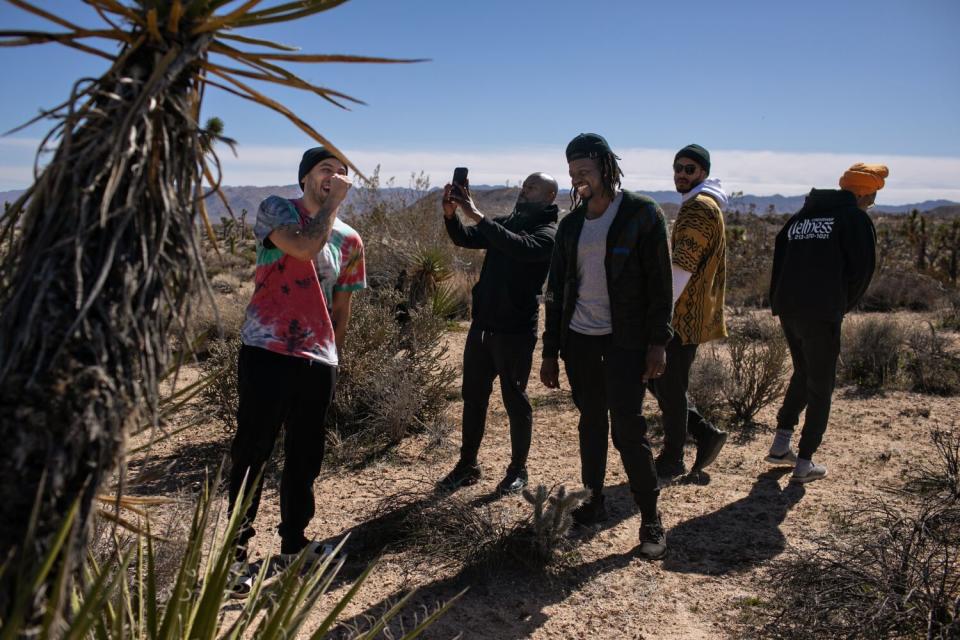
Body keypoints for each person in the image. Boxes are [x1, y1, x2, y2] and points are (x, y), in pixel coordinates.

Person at [228, 146, 363, 573]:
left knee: (305, 457)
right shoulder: (276, 210)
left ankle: (293, 546)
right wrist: (333, 204)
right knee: (253, 453)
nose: (335, 178)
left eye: (341, 173)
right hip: (267, 350)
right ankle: (234, 559)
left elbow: (340, 308)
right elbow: (303, 249)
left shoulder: (350, 240)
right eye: (326, 170)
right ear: (305, 176)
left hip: (318, 360)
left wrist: (334, 359)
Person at [540, 133, 673, 560]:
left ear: (605, 168)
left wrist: (658, 342)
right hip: (580, 339)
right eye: (573, 172)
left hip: (627, 341)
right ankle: (594, 501)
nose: (578, 179)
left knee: (628, 428)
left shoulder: (641, 213)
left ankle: (650, 516)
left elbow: (659, 283)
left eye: (585, 171)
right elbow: (557, 289)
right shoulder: (571, 225)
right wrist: (549, 350)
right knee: (591, 423)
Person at [438, 172, 560, 494]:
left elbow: (518, 247)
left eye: (532, 187)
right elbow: (466, 238)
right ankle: (468, 465)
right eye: (524, 185)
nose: (524, 190)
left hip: (516, 331)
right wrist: (451, 216)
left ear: (549, 197)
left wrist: (478, 215)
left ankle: (519, 469)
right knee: (473, 398)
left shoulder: (548, 233)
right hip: (482, 327)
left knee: (515, 401)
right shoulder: (509, 221)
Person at [767, 163, 885, 483]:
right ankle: (804, 463)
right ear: (864, 192)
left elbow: (779, 259)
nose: (874, 199)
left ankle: (781, 446)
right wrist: (840, 306)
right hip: (821, 312)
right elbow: (862, 271)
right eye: (874, 192)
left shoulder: (802, 217)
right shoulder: (854, 219)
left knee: (805, 373)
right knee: (822, 385)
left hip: (789, 308)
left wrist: (778, 301)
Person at [649, 144, 729, 483]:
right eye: (678, 167)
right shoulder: (705, 204)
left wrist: (660, 315)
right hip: (692, 313)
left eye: (690, 169)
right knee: (664, 383)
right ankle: (703, 433)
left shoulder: (698, 208)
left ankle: (672, 458)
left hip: (682, 315)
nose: (681, 173)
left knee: (667, 385)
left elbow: (683, 265)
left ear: (704, 173)